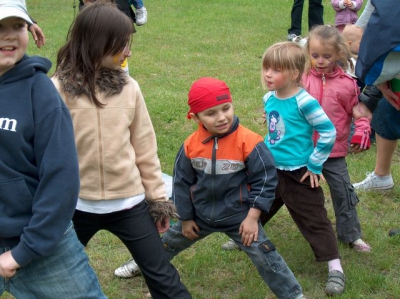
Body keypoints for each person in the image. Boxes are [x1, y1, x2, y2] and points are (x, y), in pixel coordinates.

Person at [51, 2, 191, 299]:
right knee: (47, 276)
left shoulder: (130, 88)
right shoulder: (56, 90)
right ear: (97, 43)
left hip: (129, 205)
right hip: (74, 207)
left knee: (166, 281)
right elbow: (43, 155)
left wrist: (157, 201)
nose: (128, 52)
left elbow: (145, 150)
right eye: (122, 44)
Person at [0, 1, 108, 298]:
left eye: (17, 26)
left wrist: (25, 251)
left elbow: (61, 177)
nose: (9, 36)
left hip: (42, 244)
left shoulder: (39, 92)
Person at [301, 25, 372, 253]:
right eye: (315, 56)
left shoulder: (347, 84)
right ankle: (250, 227)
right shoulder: (300, 81)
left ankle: (351, 235)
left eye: (326, 56)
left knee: (343, 192)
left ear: (339, 54)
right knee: (279, 191)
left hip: (333, 151)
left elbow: (357, 111)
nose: (320, 61)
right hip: (302, 149)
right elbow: (285, 104)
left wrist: (362, 129)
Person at [352, 0, 400, 236]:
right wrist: (379, 83)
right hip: (393, 78)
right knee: (386, 115)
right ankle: (382, 176)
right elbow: (362, 35)